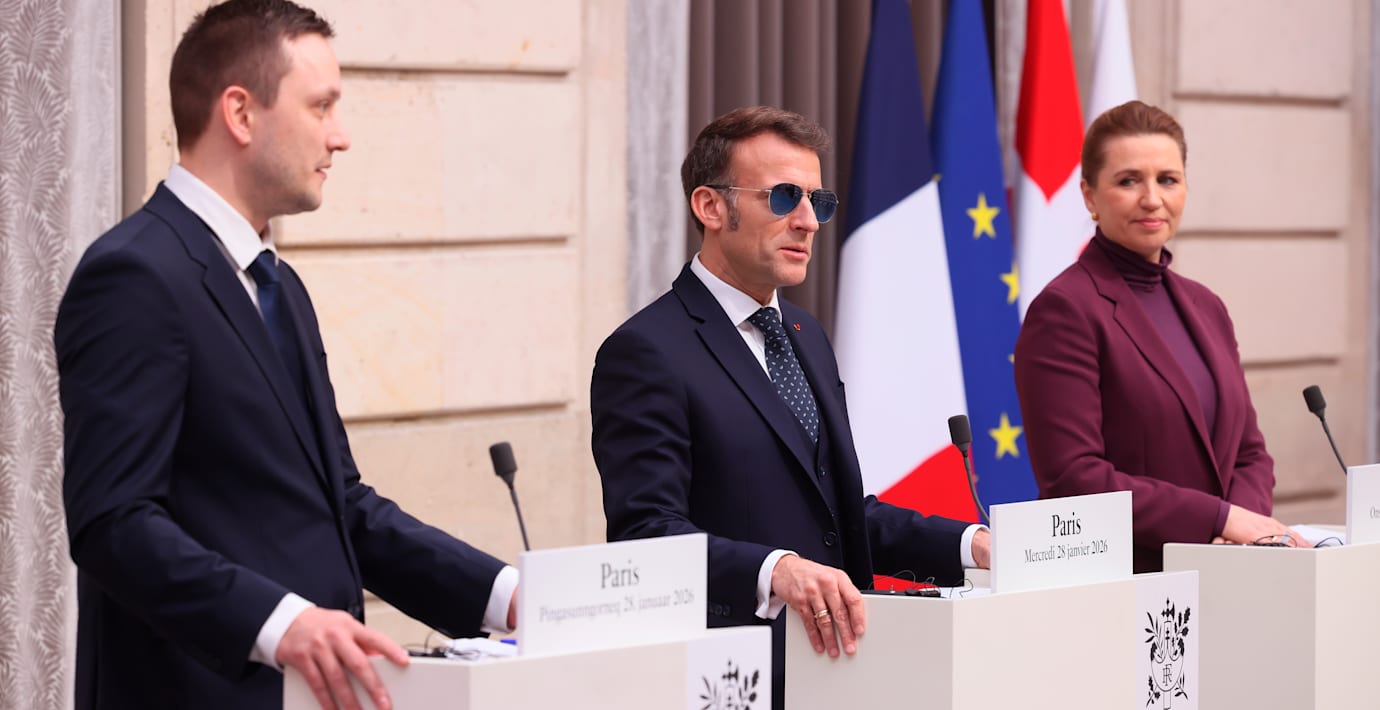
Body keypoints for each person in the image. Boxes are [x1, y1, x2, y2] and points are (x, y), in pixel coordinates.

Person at [55, 2, 517, 708]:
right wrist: (281, 626)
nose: (341, 136)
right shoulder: (134, 275)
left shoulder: (280, 286)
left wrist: (508, 596)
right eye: (322, 106)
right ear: (241, 113)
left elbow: (342, 507)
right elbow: (113, 524)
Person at [590, 106, 989, 708]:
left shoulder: (805, 334)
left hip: (841, 673)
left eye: (817, 201)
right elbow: (646, 535)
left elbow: (836, 518)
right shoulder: (646, 351)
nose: (807, 221)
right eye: (783, 197)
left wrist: (971, 544)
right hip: (730, 680)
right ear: (711, 207)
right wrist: (774, 569)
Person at [1014, 100, 1303, 573]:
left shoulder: (1207, 307)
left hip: (1228, 571)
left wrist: (1239, 532)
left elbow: (1249, 452)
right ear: (1089, 195)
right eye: (1129, 181)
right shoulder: (1065, 310)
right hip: (1124, 583)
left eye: (1167, 179)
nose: (1152, 199)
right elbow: (1073, 479)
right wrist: (1219, 520)